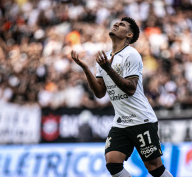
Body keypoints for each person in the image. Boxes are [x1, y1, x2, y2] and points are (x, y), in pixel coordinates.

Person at [71, 17, 173, 177]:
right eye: (116, 23)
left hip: (141, 119)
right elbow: (99, 93)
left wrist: (109, 69)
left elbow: (131, 88)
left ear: (129, 35)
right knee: (112, 162)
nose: (116, 24)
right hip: (121, 121)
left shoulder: (131, 55)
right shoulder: (104, 58)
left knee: (154, 166)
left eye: (122, 24)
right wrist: (85, 68)